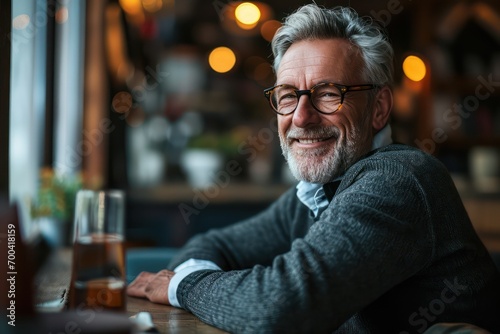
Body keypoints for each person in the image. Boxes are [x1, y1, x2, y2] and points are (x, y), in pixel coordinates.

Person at [127, 4, 500, 333]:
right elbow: (212, 244)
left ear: (380, 108)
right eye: (289, 96)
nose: (302, 118)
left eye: (327, 93)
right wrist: (214, 285)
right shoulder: (314, 192)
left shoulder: (398, 179)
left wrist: (184, 285)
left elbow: (280, 308)